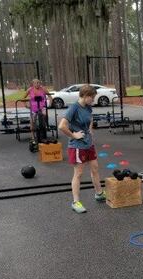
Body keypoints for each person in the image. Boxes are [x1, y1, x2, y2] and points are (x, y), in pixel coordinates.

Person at [58, 85, 106, 214]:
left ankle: (99, 193)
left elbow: (90, 118)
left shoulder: (88, 107)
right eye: (92, 97)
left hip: (88, 144)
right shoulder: (74, 108)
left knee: (95, 168)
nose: (94, 100)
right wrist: (74, 135)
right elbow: (62, 126)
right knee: (78, 173)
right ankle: (76, 202)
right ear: (85, 96)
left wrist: (90, 130)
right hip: (77, 146)